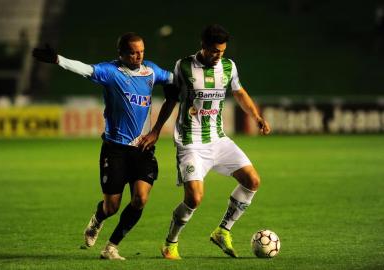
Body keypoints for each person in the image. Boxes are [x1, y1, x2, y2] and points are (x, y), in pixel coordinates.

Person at [32, 32, 177, 260]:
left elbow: (176, 78)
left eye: (141, 51)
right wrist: (58, 59)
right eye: (132, 52)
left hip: (142, 147)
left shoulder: (151, 71)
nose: (138, 56)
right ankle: (98, 219)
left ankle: (111, 246)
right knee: (112, 207)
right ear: (121, 54)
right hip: (115, 149)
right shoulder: (110, 72)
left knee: (140, 199)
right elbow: (85, 69)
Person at [144, 24, 271, 259]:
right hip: (190, 141)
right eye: (214, 51)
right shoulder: (183, 66)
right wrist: (155, 131)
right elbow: (171, 100)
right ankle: (170, 243)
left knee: (252, 180)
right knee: (194, 198)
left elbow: (239, 92)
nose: (217, 56)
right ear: (202, 46)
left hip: (218, 139)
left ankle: (223, 231)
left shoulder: (228, 66)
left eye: (221, 51)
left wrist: (256, 116)